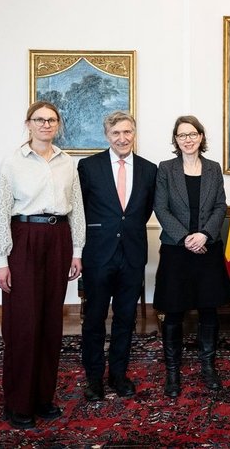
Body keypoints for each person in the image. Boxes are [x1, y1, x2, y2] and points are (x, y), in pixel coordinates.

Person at [0, 101, 85, 429]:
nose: (46, 125)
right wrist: (2, 260)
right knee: (23, 324)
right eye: (39, 120)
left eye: (51, 120)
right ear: (28, 124)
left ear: (58, 125)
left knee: (50, 324)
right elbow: (0, 212)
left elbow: (77, 210)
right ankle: (18, 403)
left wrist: (77, 250)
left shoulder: (67, 162)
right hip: (23, 239)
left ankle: (44, 397)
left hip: (58, 240)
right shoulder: (12, 162)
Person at [77, 111, 157, 401]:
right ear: (107, 136)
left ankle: (119, 375)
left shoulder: (150, 169)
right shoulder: (88, 167)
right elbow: (81, 209)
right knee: (94, 318)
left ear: (134, 133)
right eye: (116, 134)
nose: (122, 138)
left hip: (133, 254)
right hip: (98, 253)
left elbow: (144, 209)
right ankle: (94, 378)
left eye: (127, 132)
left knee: (126, 318)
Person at [153, 115, 230, 396]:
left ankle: (208, 368)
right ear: (175, 140)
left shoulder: (213, 168)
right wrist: (186, 237)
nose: (187, 139)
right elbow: (161, 208)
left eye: (192, 134)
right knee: (174, 313)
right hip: (177, 251)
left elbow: (220, 205)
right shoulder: (165, 169)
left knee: (209, 311)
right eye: (181, 135)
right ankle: (172, 373)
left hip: (208, 249)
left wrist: (205, 235)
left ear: (201, 136)